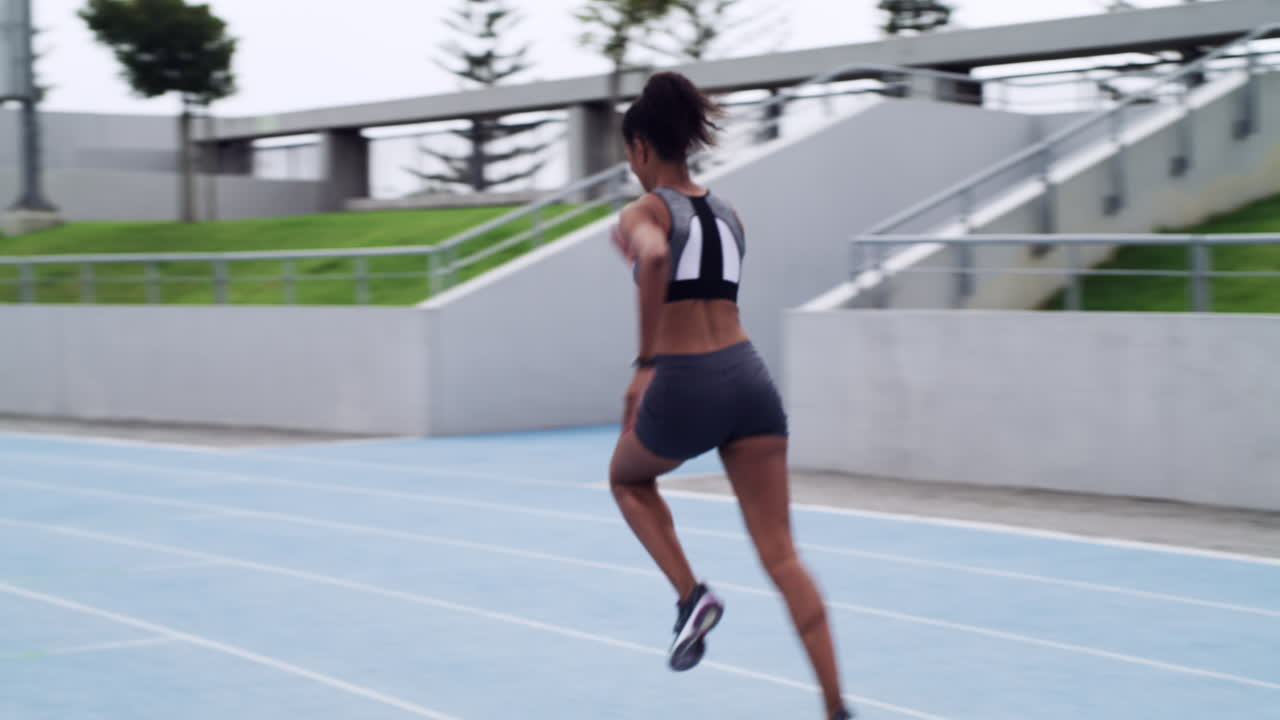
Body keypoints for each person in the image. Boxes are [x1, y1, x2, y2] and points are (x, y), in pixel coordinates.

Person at [607, 71, 854, 720]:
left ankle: (691, 596)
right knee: (783, 555)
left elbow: (656, 254)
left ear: (639, 149)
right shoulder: (729, 214)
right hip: (751, 381)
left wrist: (643, 365)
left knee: (627, 479)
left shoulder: (642, 211)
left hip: (688, 380)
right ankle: (836, 708)